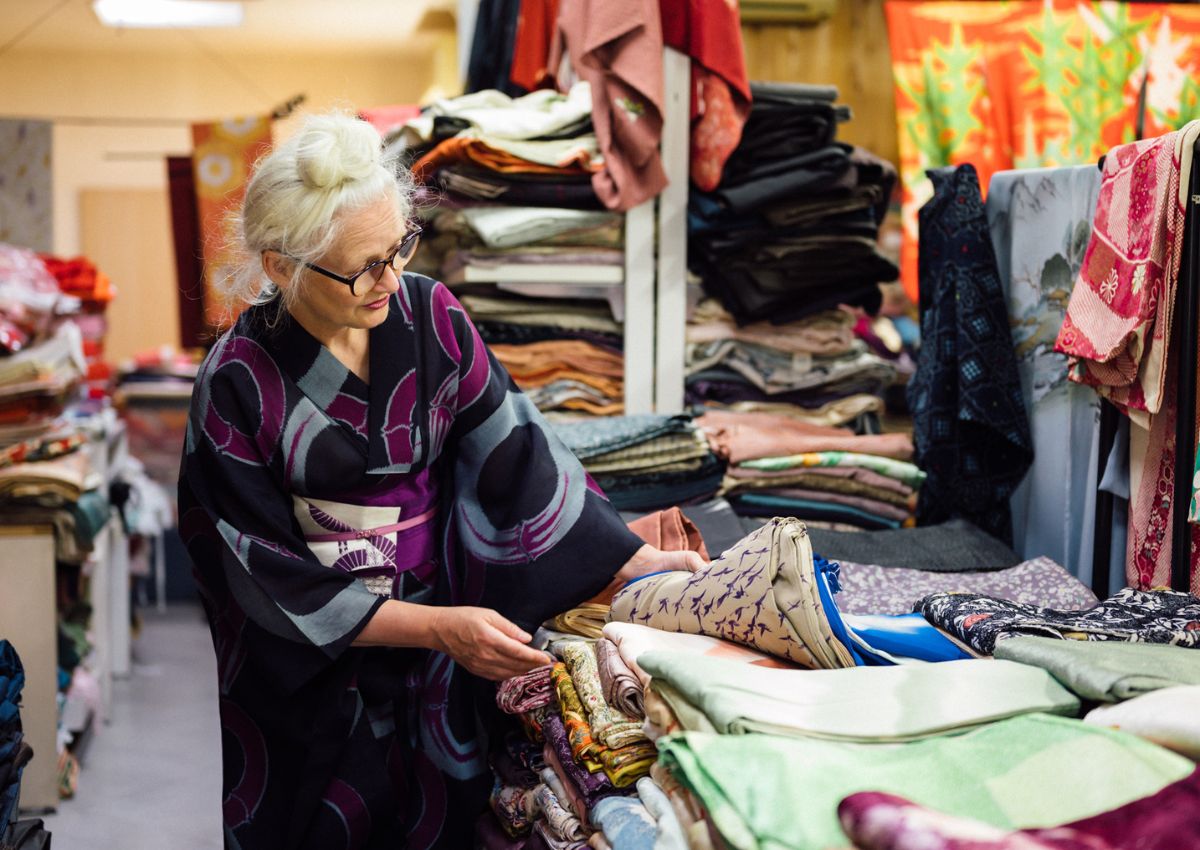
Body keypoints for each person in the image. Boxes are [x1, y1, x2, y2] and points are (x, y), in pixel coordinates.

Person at [178, 112, 705, 850]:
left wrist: (639, 564)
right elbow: (255, 575)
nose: (390, 278)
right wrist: (436, 628)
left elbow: (519, 461)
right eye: (364, 265)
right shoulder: (234, 383)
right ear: (279, 266)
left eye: (398, 248)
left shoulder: (430, 316)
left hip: (439, 675)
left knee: (451, 822)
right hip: (316, 677)